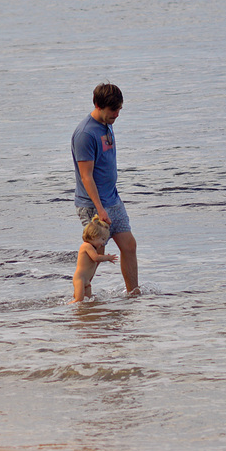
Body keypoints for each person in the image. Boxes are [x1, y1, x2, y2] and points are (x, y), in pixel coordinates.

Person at [71, 82, 139, 295]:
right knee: (94, 255)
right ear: (98, 105)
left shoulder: (107, 123)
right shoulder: (85, 134)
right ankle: (81, 299)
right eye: (113, 110)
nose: (117, 114)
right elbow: (86, 176)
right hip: (93, 205)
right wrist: (100, 209)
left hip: (113, 200)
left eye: (119, 109)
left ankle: (133, 295)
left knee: (129, 246)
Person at [70, 216, 118, 303]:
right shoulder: (86, 245)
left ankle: (87, 313)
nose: (104, 242)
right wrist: (107, 257)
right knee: (79, 300)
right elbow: (96, 258)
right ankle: (67, 310)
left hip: (87, 281)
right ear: (93, 236)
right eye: (102, 239)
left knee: (87, 301)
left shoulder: (92, 247)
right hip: (79, 279)